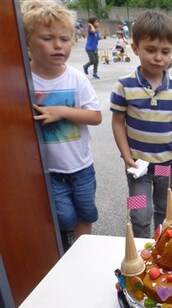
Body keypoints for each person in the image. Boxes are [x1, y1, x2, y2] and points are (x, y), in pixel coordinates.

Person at [21, 0, 102, 250]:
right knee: (65, 216)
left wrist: (62, 111)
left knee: (87, 213)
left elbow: (96, 116)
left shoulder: (76, 78)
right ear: (27, 42)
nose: (58, 46)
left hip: (81, 166)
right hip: (50, 170)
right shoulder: (23, 81)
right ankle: (67, 242)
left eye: (65, 39)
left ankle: (82, 251)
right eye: (48, 38)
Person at [110, 10, 172, 238]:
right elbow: (117, 123)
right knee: (138, 212)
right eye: (150, 50)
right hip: (137, 165)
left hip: (166, 164)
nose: (159, 57)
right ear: (135, 49)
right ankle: (139, 249)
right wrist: (126, 157)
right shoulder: (124, 85)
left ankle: (162, 250)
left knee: (165, 211)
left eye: (165, 51)